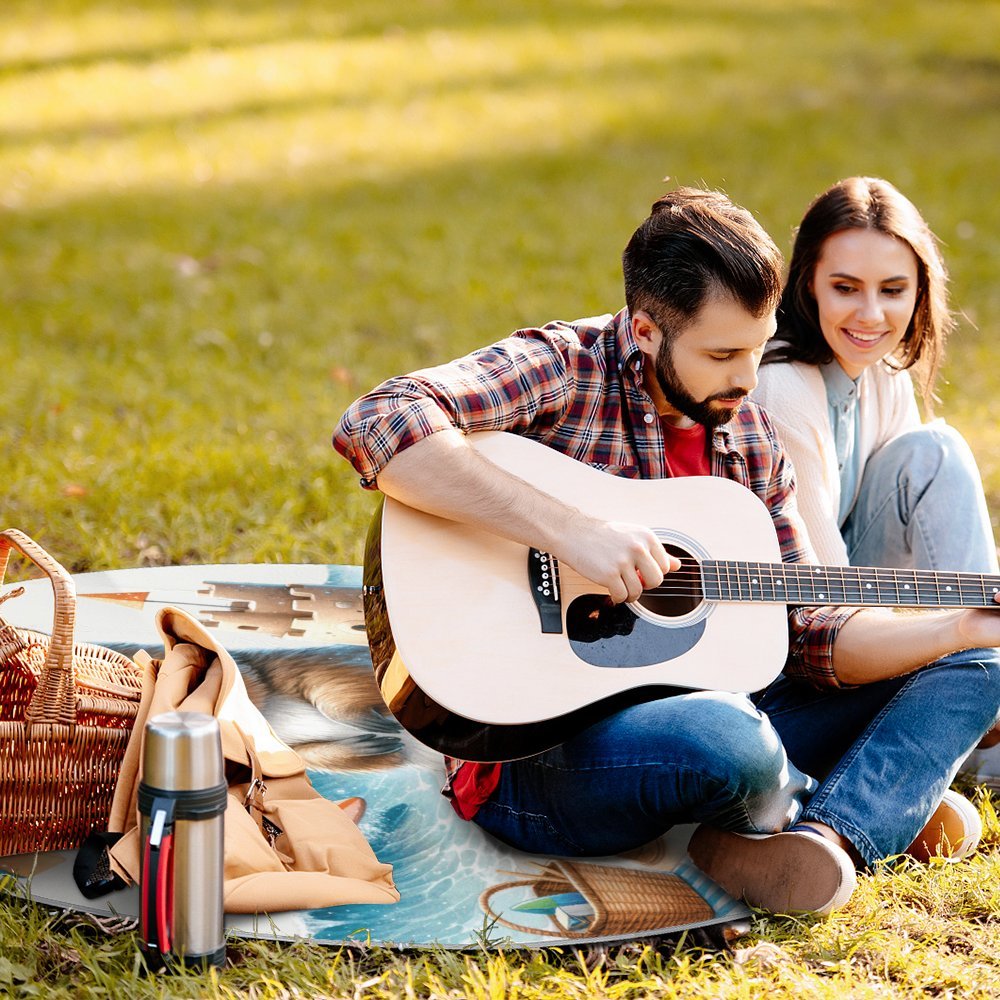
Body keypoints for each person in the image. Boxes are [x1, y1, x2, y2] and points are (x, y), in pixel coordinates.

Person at [333, 187, 1000, 916]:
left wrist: (956, 628)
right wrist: (569, 530)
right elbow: (380, 419)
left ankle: (830, 836)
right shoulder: (564, 367)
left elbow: (809, 629)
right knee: (729, 742)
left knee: (980, 665)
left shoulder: (748, 435)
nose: (748, 380)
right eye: (722, 354)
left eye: (757, 346)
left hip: (726, 710)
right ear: (646, 330)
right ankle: (856, 795)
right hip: (537, 755)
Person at [753, 176, 1000, 797]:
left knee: (932, 451)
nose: (872, 315)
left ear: (920, 291)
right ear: (807, 281)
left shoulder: (881, 370)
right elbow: (823, 601)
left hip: (863, 603)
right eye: (845, 288)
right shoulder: (783, 387)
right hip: (799, 640)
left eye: (893, 290)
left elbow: (923, 524)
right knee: (936, 450)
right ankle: (975, 705)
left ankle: (980, 692)